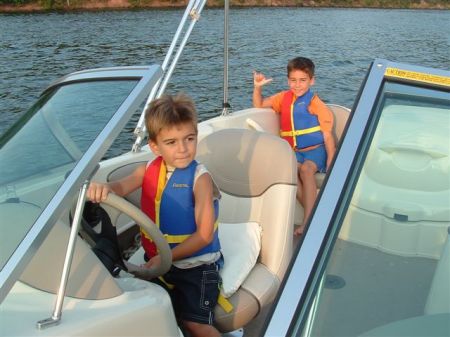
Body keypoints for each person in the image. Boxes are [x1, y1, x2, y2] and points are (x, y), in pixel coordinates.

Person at [87, 93, 222, 337]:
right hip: (159, 262)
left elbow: (204, 235)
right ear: (154, 146)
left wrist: (163, 259)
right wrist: (102, 189)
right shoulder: (147, 169)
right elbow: (119, 187)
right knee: (145, 312)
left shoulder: (200, 178)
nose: (182, 149)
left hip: (196, 267)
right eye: (171, 142)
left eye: (189, 139)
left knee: (195, 324)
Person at [253, 57, 335, 236]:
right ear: (288, 80)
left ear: (311, 80)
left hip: (315, 151)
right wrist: (258, 87)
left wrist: (331, 161)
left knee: (306, 170)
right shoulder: (283, 98)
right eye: (293, 80)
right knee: (289, 170)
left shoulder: (315, 104)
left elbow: (328, 136)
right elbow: (259, 105)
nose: (297, 85)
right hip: (295, 152)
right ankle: (315, 214)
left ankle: (307, 221)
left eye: (303, 80)